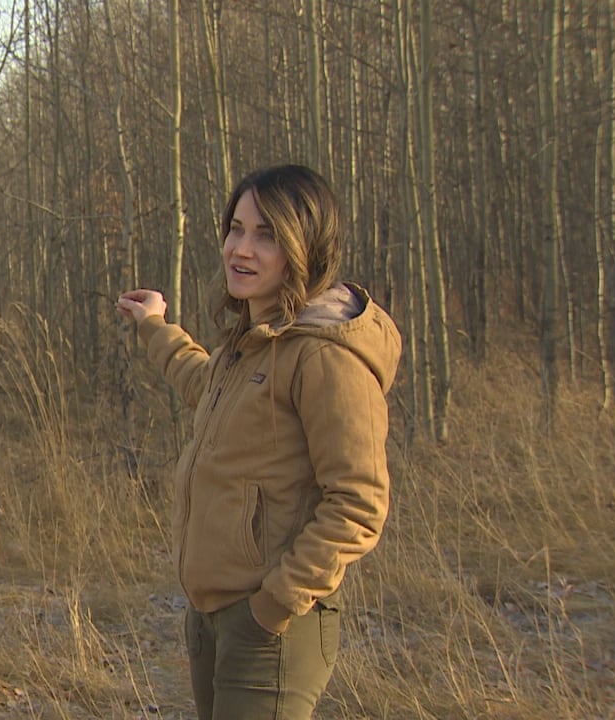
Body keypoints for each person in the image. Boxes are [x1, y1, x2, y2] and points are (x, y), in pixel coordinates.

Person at [115, 164, 402, 720]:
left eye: (266, 234)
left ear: (306, 246)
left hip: (271, 626)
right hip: (212, 612)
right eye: (236, 228)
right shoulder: (257, 336)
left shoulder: (324, 355)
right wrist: (156, 326)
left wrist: (273, 605)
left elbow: (359, 502)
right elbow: (207, 386)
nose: (241, 249)